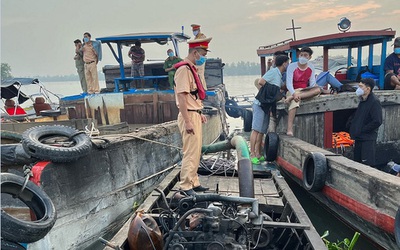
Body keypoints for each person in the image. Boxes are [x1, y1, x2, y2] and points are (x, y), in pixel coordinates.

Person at [174, 37, 212, 196]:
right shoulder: (184, 70)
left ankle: (193, 181)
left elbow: (192, 96)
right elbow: (182, 97)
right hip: (188, 115)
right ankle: (185, 186)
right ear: (195, 53)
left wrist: (199, 112)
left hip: (194, 113)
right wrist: (188, 120)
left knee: (196, 151)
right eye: (202, 54)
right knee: (190, 151)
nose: (203, 57)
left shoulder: (191, 69)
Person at [250, 55, 289, 164]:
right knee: (256, 130)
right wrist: (272, 91)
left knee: (262, 131)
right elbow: (261, 81)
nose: (288, 65)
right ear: (284, 63)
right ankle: (252, 153)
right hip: (260, 104)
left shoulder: (279, 75)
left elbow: (282, 86)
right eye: (287, 62)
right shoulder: (273, 72)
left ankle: (258, 153)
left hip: (267, 106)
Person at [285, 47, 321, 136]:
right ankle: (289, 129)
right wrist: (293, 93)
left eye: (305, 55)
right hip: (293, 90)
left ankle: (294, 97)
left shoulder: (311, 67)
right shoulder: (292, 66)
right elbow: (288, 83)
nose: (303, 57)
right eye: (301, 55)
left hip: (304, 90)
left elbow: (312, 83)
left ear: (309, 57)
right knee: (295, 102)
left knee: (317, 89)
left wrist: (314, 88)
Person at [349, 78, 382, 167]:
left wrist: (362, 129)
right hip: (359, 138)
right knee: (357, 164)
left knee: (367, 165)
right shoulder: (362, 100)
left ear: (368, 89)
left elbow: (377, 121)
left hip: (367, 139)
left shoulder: (374, 102)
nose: (358, 89)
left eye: (361, 86)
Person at [191, 24, 207, 90]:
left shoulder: (202, 37)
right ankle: (201, 88)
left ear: (199, 30)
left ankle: (202, 89)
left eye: (195, 30)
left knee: (200, 74)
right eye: (193, 30)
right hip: (196, 58)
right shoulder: (196, 38)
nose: (194, 32)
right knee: (196, 73)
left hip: (200, 58)